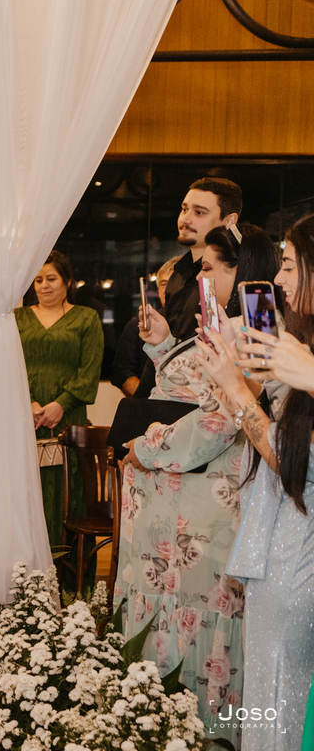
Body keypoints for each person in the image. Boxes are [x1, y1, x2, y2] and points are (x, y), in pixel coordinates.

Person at [115, 224, 280, 745]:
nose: (200, 276)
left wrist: (145, 449)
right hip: (177, 499)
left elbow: (220, 418)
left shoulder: (253, 329)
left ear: (240, 269)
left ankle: (197, 729)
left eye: (209, 267)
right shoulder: (223, 325)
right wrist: (164, 347)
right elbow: (190, 388)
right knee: (171, 606)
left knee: (197, 610)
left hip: (203, 504)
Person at [197, 214, 314, 749]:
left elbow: (292, 463)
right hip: (286, 540)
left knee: (277, 692)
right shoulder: (299, 346)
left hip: (296, 552)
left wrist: (236, 392)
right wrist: (242, 376)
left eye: (289, 265)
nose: (278, 279)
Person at [14, 251, 103, 552]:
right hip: (25, 420)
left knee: (70, 493)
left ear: (67, 282)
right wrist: (28, 403)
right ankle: (26, 572)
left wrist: (61, 404)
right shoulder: (17, 319)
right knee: (25, 491)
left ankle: (68, 573)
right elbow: (9, 366)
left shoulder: (87, 318)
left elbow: (89, 372)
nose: (44, 286)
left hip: (69, 420)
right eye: (38, 280)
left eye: (51, 278)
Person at [132, 178, 242, 398]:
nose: (185, 219)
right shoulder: (177, 273)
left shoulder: (231, 279)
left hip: (204, 399)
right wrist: (161, 338)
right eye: (184, 210)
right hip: (164, 388)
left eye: (199, 212)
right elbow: (176, 348)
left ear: (229, 220)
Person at [112, 255, 180, 397]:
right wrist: (150, 400)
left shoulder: (197, 325)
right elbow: (122, 372)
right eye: (164, 284)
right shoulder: (137, 326)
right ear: (158, 289)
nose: (168, 289)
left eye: (174, 283)